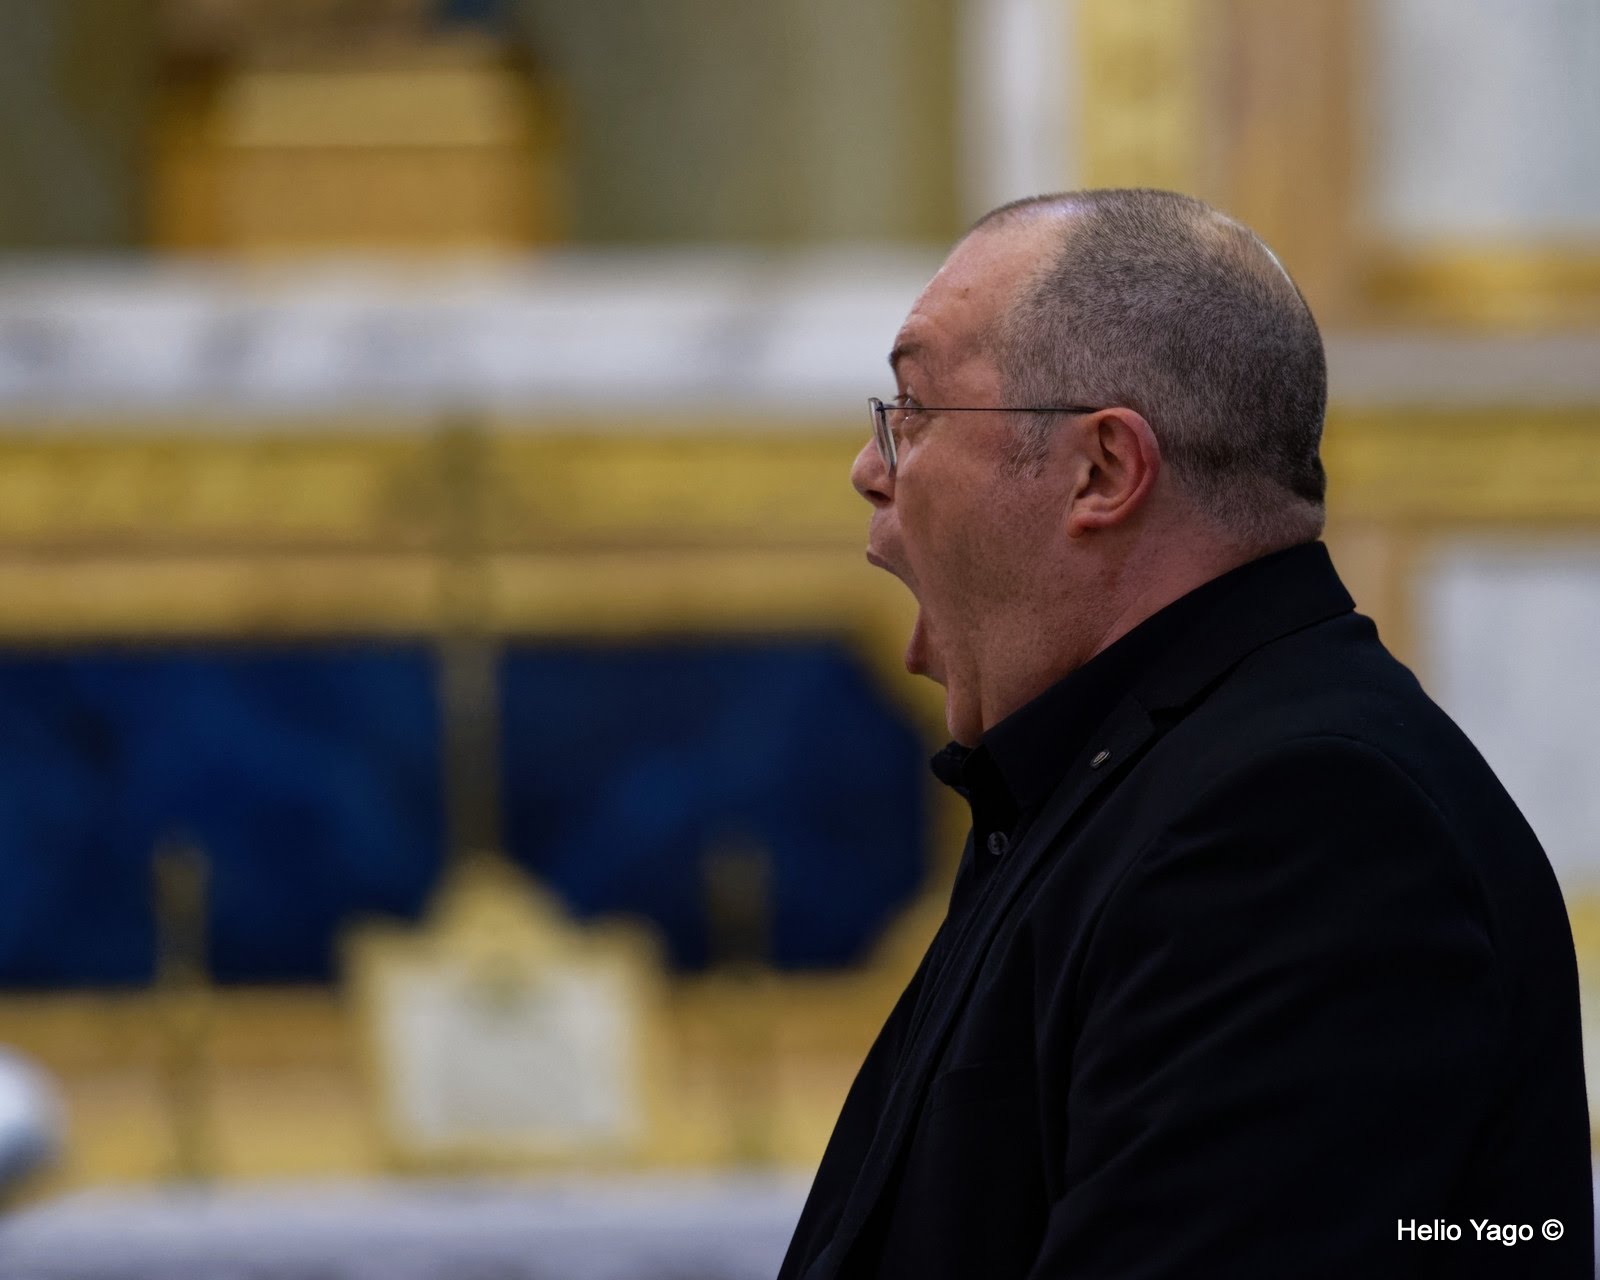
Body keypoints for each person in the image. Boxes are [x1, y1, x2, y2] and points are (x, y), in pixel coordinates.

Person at [779, 189, 1592, 1279]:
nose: (870, 468)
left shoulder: (1303, 825)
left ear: (1103, 470)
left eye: (915, 409)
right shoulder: (1116, 781)